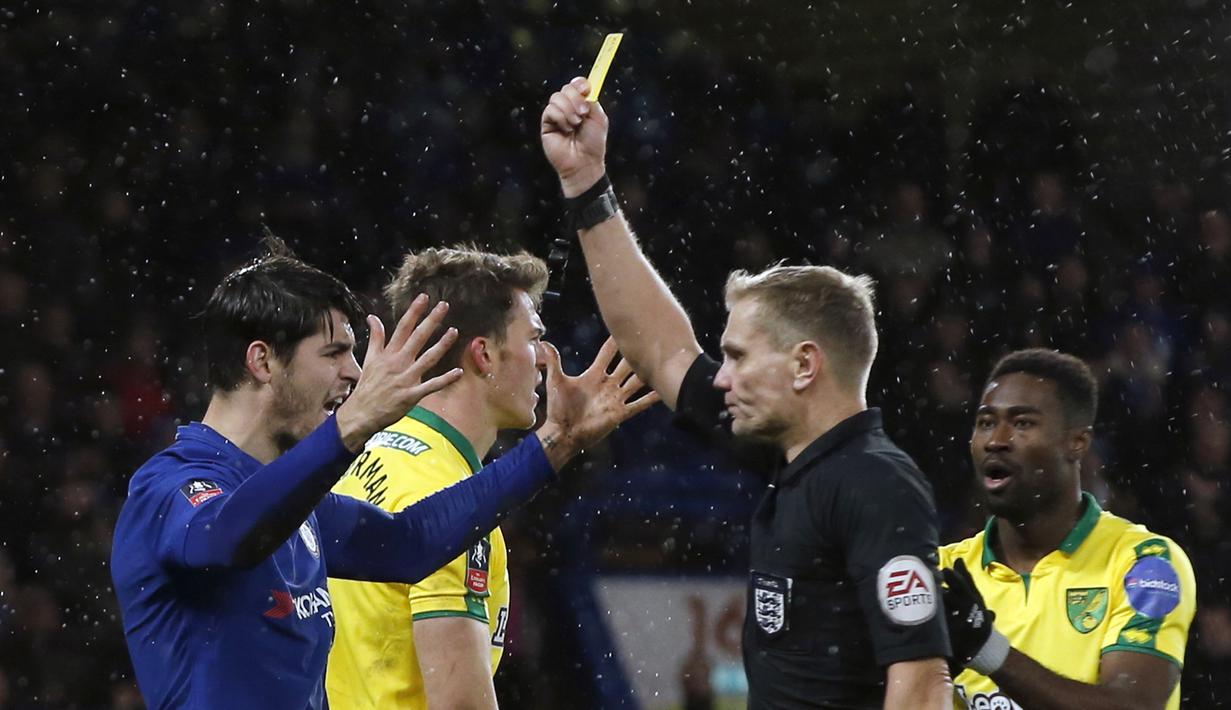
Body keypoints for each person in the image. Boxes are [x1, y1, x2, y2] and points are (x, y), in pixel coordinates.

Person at [539, 78, 953, 709]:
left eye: (736, 357)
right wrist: (587, 186)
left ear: (805, 365)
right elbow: (660, 350)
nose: (721, 378)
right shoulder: (792, 458)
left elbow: (922, 685)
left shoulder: (875, 486)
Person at [110, 238, 657, 710]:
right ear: (262, 362)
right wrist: (349, 426)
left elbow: (408, 544)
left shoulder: (299, 508)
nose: (354, 372)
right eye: (334, 353)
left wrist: (555, 442)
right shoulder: (169, 487)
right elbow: (230, 537)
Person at [326, 247, 655, 708]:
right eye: (533, 338)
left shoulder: (363, 455)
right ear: (483, 354)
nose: (542, 357)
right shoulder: (451, 509)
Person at [939, 349, 1196, 710]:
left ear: (1077, 442)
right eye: (985, 422)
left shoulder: (1143, 563)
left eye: (1022, 423)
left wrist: (988, 651)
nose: (996, 439)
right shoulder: (946, 574)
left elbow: (1134, 705)